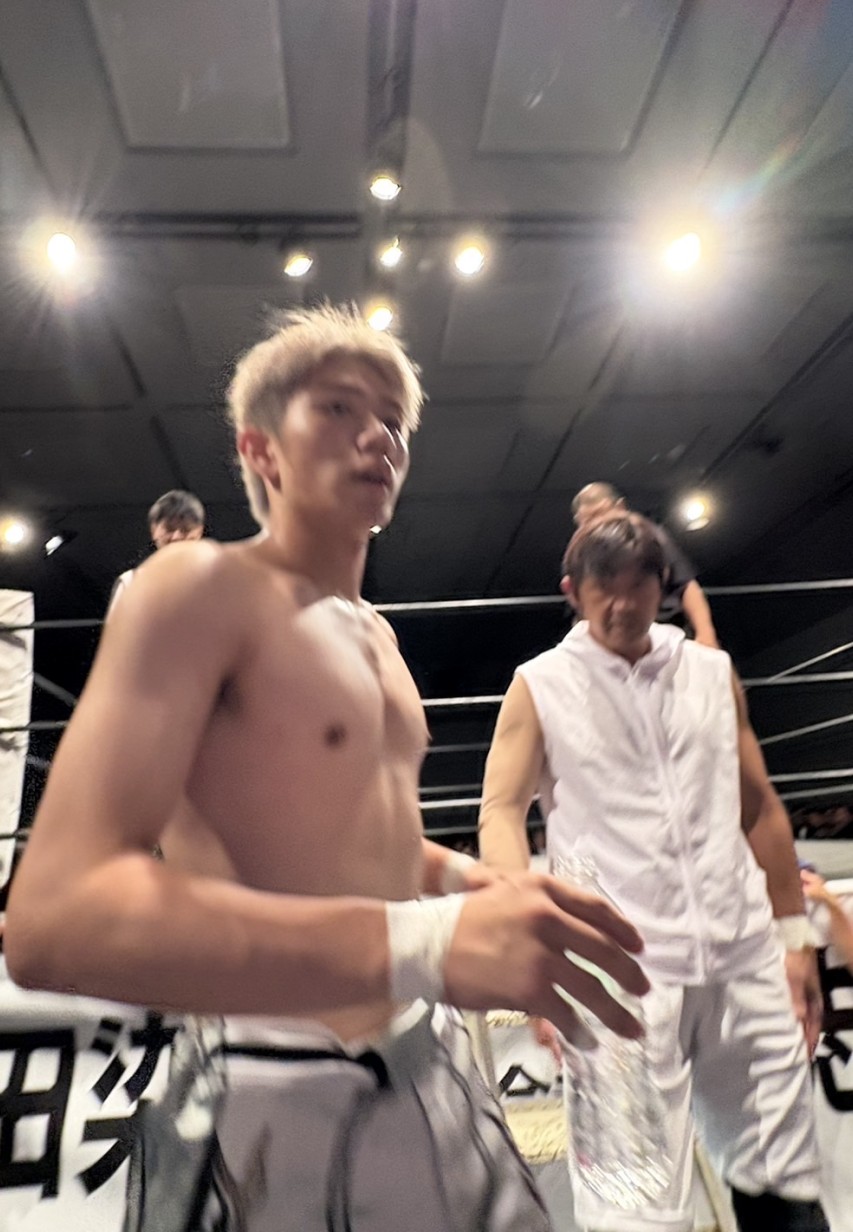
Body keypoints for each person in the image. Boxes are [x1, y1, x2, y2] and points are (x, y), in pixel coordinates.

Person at [4, 306, 649, 1232]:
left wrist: (471, 882)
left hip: (423, 1049)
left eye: (392, 419)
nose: (377, 434)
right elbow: (51, 922)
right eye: (340, 408)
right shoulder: (195, 586)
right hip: (270, 1069)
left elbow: (349, 839)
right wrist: (425, 943)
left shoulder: (375, 634)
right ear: (260, 449)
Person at [478, 510, 828, 1232]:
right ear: (572, 591)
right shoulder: (540, 685)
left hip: (741, 956)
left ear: (662, 585)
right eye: (603, 588)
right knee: (633, 1208)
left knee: (783, 1180)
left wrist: (795, 939)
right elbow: (500, 814)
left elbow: (759, 807)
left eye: (638, 587)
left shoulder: (710, 673)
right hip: (618, 977)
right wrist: (533, 954)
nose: (621, 605)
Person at [572, 481, 719, 647]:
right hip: (616, 640)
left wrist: (706, 634)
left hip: (668, 633)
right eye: (588, 520)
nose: (597, 524)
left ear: (620, 507)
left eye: (601, 514)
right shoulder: (582, 555)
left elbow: (686, 585)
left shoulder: (648, 538)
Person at [107, 489, 206, 616]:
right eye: (169, 529)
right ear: (154, 530)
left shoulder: (220, 581)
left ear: (199, 531)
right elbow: (117, 629)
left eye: (185, 529)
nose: (176, 537)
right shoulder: (130, 582)